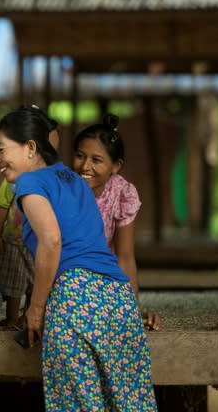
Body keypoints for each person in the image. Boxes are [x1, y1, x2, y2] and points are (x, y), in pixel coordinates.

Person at [0, 107, 157, 411]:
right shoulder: (71, 177)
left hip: (75, 297)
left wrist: (36, 310)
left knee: (80, 405)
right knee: (133, 404)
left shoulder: (30, 182)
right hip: (118, 298)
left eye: (1, 150)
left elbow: (51, 241)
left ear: (29, 147)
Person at [72, 114, 160, 330]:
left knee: (122, 320)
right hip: (68, 276)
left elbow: (125, 258)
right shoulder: (64, 189)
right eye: (80, 156)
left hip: (105, 277)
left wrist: (132, 310)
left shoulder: (122, 193)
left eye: (97, 160)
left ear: (116, 166)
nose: (85, 166)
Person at [0, 106, 59, 328]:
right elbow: (2, 207)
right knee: (13, 284)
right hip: (13, 241)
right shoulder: (11, 180)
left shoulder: (49, 181)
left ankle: (27, 315)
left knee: (34, 281)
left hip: (36, 243)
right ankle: (12, 318)